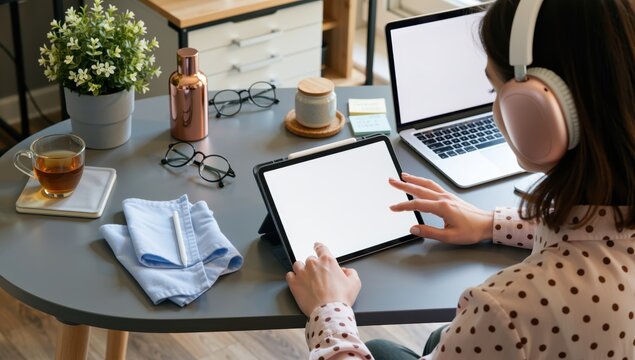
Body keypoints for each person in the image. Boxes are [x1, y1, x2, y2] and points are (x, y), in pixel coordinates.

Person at [285, 0, 635, 358]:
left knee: (380, 347)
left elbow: (502, 321)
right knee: (441, 336)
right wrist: (490, 224)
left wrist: (328, 309)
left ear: (536, 111)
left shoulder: (508, 310)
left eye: (495, 92)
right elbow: (596, 233)